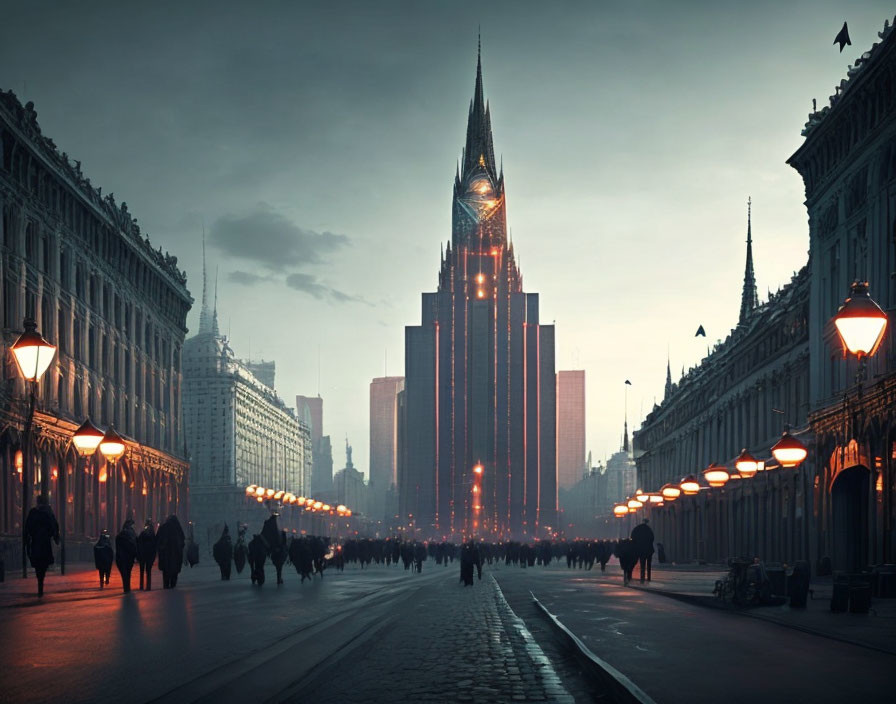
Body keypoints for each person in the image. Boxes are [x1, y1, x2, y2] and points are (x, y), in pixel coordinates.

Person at [24, 493, 59, 597]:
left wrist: (27, 539)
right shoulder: (48, 513)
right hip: (45, 543)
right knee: (43, 564)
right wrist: (54, 536)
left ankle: (40, 582)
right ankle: (41, 583)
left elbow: (28, 527)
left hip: (36, 542)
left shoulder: (33, 513)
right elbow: (54, 527)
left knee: (37, 563)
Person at [156, 515, 185, 589]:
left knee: (166, 572)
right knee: (174, 573)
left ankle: (166, 585)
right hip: (176, 556)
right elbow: (182, 542)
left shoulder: (163, 527)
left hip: (165, 555)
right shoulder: (178, 528)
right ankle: (172, 585)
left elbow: (157, 539)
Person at [115, 518, 138, 593]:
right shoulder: (131, 534)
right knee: (127, 572)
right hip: (128, 557)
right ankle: (127, 587)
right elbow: (134, 545)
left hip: (121, 557)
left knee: (125, 573)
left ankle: (126, 587)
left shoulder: (120, 535)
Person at [630, 518, 655, 583]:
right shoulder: (649, 529)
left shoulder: (637, 529)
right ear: (647, 522)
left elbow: (632, 537)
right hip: (649, 549)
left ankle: (642, 577)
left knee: (642, 563)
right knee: (649, 564)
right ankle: (649, 577)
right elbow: (652, 538)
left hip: (640, 549)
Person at [136, 519, 157, 591]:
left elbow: (138, 544)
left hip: (145, 555)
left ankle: (144, 586)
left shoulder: (145, 534)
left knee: (145, 571)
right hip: (146, 555)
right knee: (147, 571)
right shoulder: (152, 535)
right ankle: (146, 586)